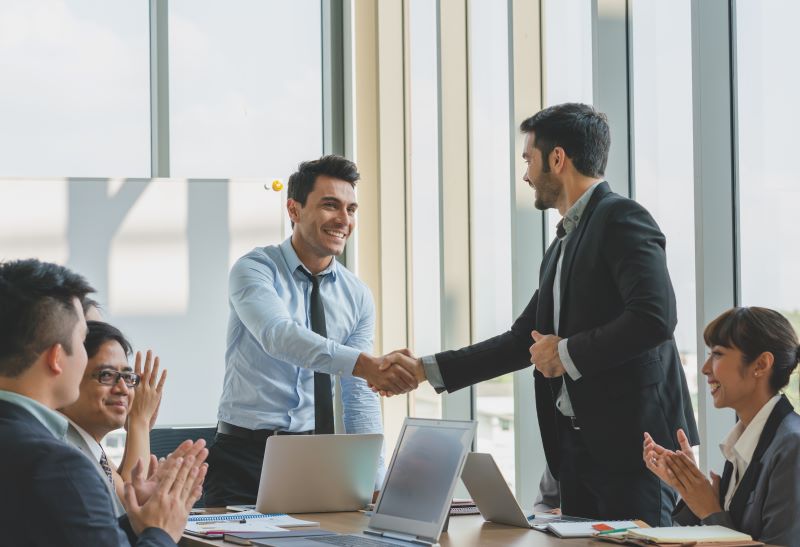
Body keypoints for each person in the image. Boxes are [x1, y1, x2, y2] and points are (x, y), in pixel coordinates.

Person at [382, 103, 698, 525]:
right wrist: (423, 370)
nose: (526, 174)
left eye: (528, 159)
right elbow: (522, 341)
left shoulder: (622, 218)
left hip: (634, 453)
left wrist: (565, 353)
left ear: (557, 158)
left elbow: (655, 317)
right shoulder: (561, 245)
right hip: (578, 454)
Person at [205, 155, 418, 506]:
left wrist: (374, 475)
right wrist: (367, 364)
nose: (344, 220)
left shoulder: (357, 295)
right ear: (294, 209)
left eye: (351, 209)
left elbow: (359, 393)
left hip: (314, 457)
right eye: (330, 206)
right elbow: (279, 336)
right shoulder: (255, 270)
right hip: (243, 457)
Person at [0, 258, 206, 546]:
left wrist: (137, 523)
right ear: (57, 357)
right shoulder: (60, 465)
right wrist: (160, 531)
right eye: (84, 339)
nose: (122, 388)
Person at [644, 307, 800, 546]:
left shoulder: (792, 446)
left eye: (717, 354)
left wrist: (710, 510)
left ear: (761, 364)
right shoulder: (745, 443)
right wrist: (689, 489)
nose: (705, 368)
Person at [60, 320, 166, 516]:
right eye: (107, 375)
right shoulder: (64, 447)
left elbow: (120, 492)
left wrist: (139, 423)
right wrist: (139, 422)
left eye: (128, 377)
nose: (124, 389)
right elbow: (130, 508)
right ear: (69, 376)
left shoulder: (85, 443)